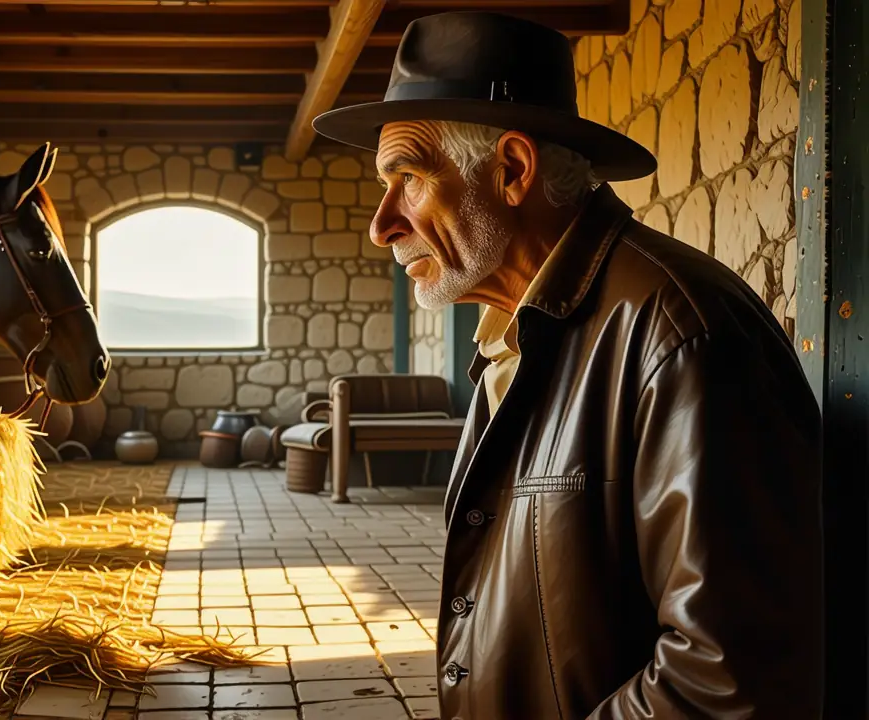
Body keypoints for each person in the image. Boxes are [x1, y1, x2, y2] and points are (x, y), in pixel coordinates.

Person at [312, 11, 824, 719]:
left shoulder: (679, 335)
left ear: (512, 170)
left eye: (408, 177)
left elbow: (725, 675)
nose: (382, 224)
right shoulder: (513, 336)